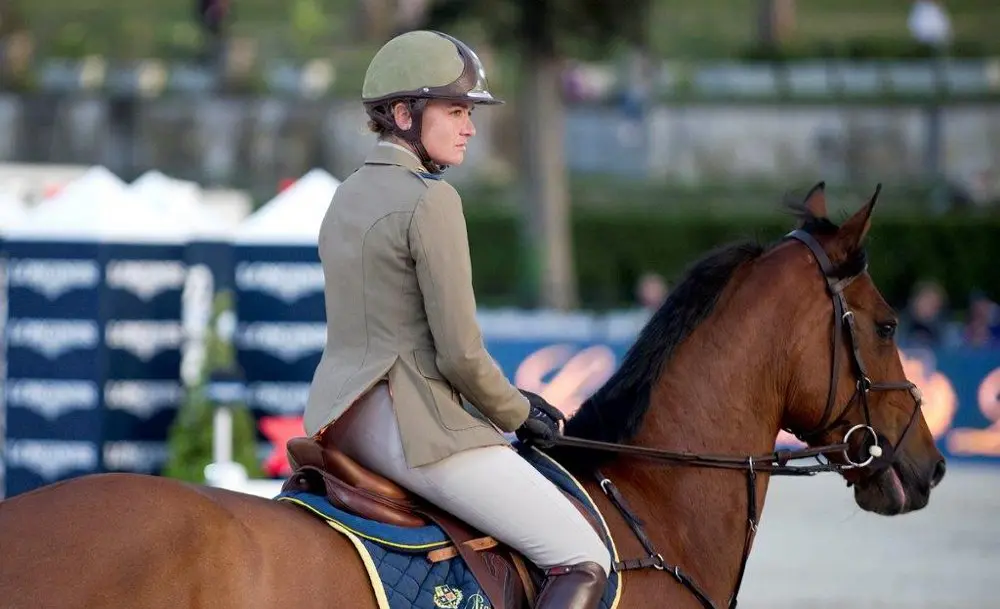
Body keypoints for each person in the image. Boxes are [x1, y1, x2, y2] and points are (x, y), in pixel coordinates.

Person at [302, 30, 610, 608]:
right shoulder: (431, 200)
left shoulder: (347, 193)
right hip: (412, 425)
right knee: (583, 555)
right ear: (402, 113)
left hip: (341, 417)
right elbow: (459, 354)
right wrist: (518, 413)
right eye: (455, 110)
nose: (469, 126)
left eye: (469, 112)